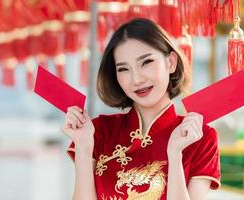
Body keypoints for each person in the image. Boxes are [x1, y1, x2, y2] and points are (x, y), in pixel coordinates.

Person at [62, 18, 220, 200]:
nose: (136, 79)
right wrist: (83, 147)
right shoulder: (98, 132)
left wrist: (175, 154)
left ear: (171, 62)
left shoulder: (201, 137)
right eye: (123, 69)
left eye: (145, 62)